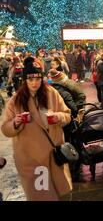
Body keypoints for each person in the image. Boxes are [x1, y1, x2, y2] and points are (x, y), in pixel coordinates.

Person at [1, 57, 72, 201]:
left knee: (62, 194)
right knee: (42, 196)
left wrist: (58, 117)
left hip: (54, 155)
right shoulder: (16, 101)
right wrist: (15, 122)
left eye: (37, 79)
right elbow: (5, 129)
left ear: (42, 78)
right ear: (24, 80)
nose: (34, 83)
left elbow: (67, 115)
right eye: (30, 79)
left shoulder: (52, 93)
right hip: (32, 160)